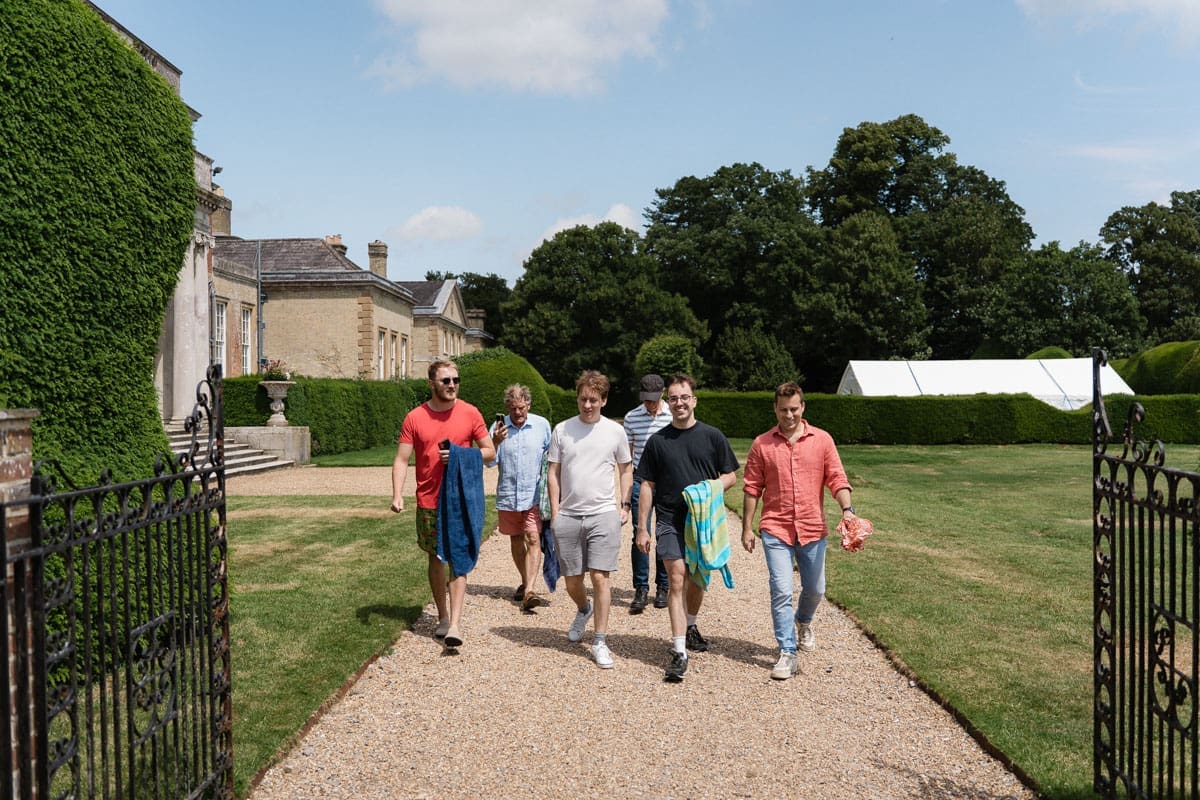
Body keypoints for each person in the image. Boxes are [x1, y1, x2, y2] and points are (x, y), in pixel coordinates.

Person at [741, 381, 855, 681]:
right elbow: (752, 488)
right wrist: (747, 528)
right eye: (783, 410)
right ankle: (787, 652)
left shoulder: (822, 440)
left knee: (816, 589)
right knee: (781, 589)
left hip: (812, 527)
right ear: (775, 409)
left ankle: (803, 621)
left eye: (794, 409)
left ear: (802, 407)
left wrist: (847, 510)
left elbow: (837, 479)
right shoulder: (762, 444)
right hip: (775, 527)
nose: (788, 415)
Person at [635, 373, 738, 682]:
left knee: (697, 578)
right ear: (669, 403)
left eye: (684, 397)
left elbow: (731, 475)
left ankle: (690, 624)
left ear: (694, 400)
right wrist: (643, 527)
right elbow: (647, 486)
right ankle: (679, 651)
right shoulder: (658, 441)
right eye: (674, 398)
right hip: (669, 520)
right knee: (676, 577)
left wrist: (709, 488)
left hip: (702, 521)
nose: (679, 403)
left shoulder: (712, 436)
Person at [391, 360, 495, 650]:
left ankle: (456, 624)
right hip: (428, 500)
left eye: (455, 380)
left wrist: (461, 454)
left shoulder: (470, 412)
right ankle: (443, 614)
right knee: (436, 558)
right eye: (445, 380)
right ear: (432, 383)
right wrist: (397, 494)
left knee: (458, 558)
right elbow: (401, 459)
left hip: (459, 498)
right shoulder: (415, 417)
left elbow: (489, 451)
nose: (452, 385)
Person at [547, 370, 633, 669]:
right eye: (583, 399)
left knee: (600, 577)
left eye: (593, 400)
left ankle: (600, 641)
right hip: (568, 515)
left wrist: (624, 505)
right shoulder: (562, 430)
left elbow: (625, 468)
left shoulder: (615, 432)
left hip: (603, 514)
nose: (587, 405)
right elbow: (553, 472)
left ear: (604, 400)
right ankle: (583, 609)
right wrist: (555, 512)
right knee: (572, 580)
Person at [488, 383, 552, 612]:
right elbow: (488, 461)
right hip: (508, 494)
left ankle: (530, 590)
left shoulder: (542, 425)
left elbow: (551, 458)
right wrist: (495, 441)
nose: (517, 413)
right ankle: (527, 583)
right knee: (516, 540)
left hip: (533, 493)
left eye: (521, 408)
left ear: (529, 405)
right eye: (513, 408)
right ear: (507, 407)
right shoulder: (497, 427)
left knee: (533, 538)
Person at [624, 374, 673, 614]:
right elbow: (626, 458)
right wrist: (623, 495)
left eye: (654, 399)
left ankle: (663, 585)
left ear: (662, 393)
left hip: (667, 482)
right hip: (640, 480)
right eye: (646, 399)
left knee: (665, 533)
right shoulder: (632, 418)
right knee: (640, 532)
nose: (650, 404)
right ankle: (641, 587)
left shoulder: (673, 415)